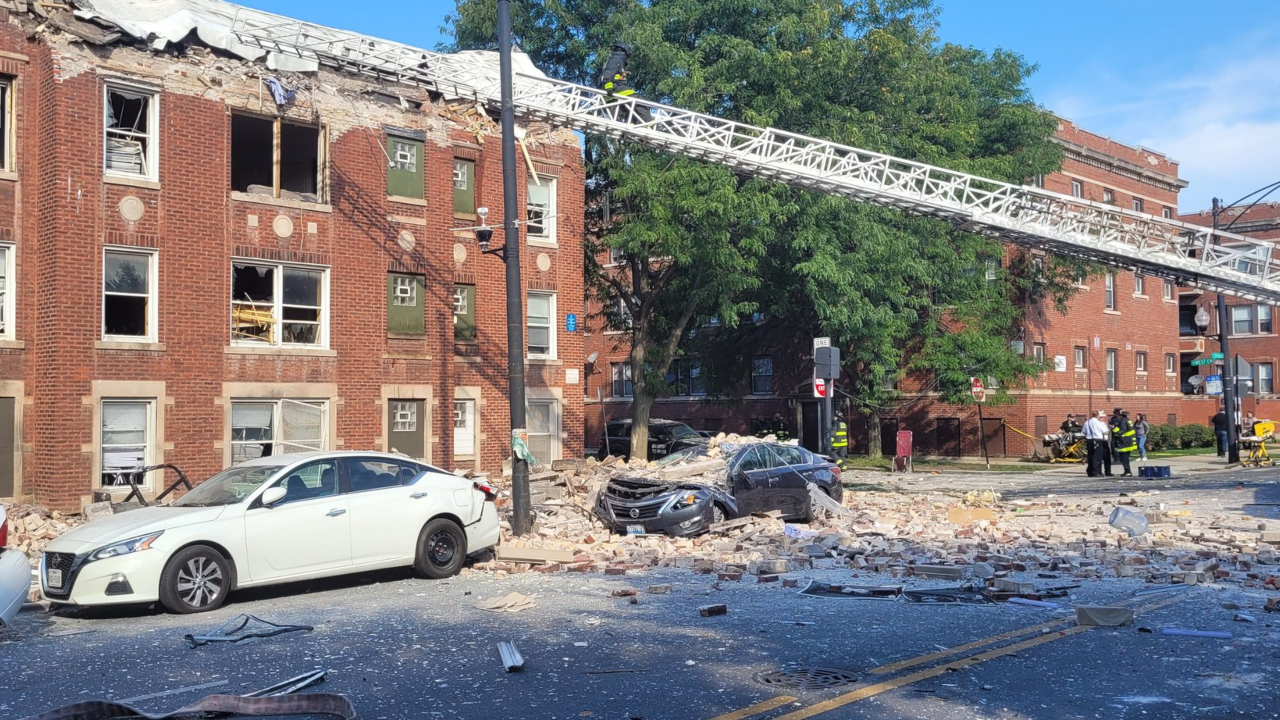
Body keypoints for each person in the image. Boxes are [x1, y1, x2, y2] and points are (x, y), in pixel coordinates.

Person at [599, 42, 652, 123]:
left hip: (615, 88)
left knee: (630, 107)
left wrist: (622, 76)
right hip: (616, 88)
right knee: (640, 102)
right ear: (625, 53)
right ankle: (649, 123)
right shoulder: (617, 59)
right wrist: (608, 87)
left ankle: (631, 125)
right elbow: (608, 73)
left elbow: (612, 74)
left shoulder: (616, 60)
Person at [1083, 410, 1110, 477]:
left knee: (1090, 456)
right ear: (1098, 415)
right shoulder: (1098, 423)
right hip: (1098, 440)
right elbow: (1105, 432)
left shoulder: (1087, 422)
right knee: (1097, 457)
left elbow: (1084, 432)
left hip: (1089, 440)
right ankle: (1096, 472)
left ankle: (1090, 471)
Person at [1111, 410, 1137, 476]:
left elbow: (1121, 431)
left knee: (1124, 458)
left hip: (1125, 442)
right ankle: (1127, 471)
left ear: (1120, 415)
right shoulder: (1128, 420)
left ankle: (1127, 471)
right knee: (1126, 457)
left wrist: (1113, 428)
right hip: (1129, 441)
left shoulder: (1123, 421)